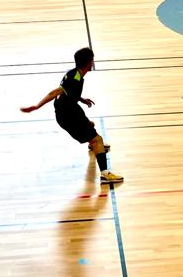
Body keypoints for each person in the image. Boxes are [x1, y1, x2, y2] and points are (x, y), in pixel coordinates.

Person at [20, 47, 124, 185]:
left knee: (91, 125)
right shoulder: (75, 79)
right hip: (68, 115)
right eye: (92, 59)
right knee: (97, 139)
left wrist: (81, 99)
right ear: (89, 62)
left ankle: (92, 144)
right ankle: (105, 174)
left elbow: (68, 92)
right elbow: (55, 92)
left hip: (71, 109)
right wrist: (36, 106)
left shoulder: (74, 73)